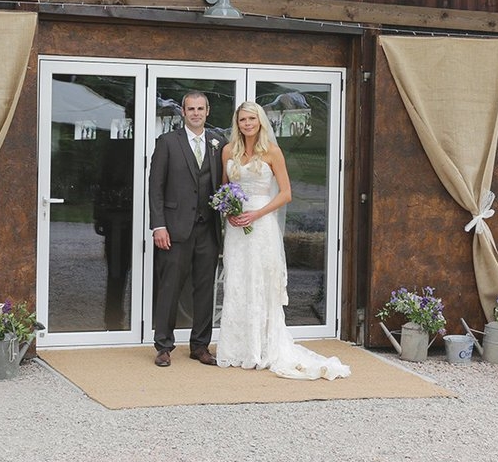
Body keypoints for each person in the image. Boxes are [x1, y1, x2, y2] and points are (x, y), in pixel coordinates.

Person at [215, 101, 350, 380]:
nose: (247, 124)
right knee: (238, 281)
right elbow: (225, 189)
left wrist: (257, 214)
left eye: (252, 119)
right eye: (242, 120)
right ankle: (238, 349)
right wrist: (228, 211)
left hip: (261, 224)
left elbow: (286, 193)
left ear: (261, 121)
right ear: (237, 124)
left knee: (261, 282)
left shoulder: (272, 152)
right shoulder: (229, 151)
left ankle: (262, 348)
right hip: (237, 229)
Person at [148, 91, 224, 367]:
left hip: (208, 228)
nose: (195, 113)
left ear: (208, 111)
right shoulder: (168, 142)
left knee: (205, 289)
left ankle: (200, 346)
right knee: (170, 287)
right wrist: (159, 225)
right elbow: (155, 186)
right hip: (175, 228)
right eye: (190, 108)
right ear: (182, 111)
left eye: (200, 108)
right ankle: (164, 346)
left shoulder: (219, 142)